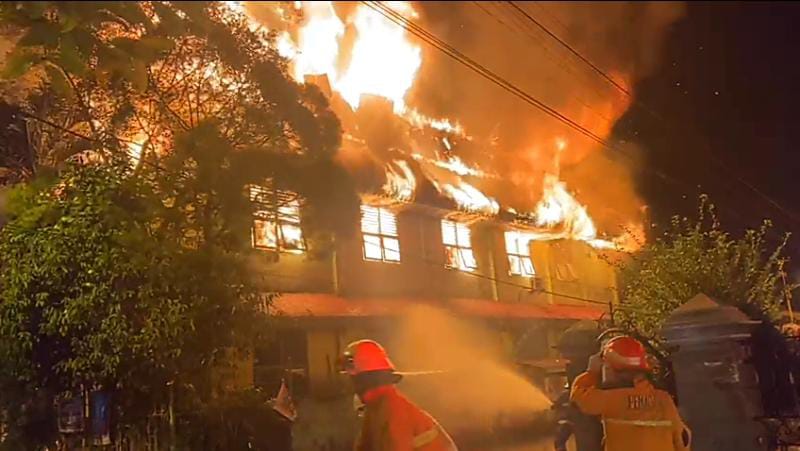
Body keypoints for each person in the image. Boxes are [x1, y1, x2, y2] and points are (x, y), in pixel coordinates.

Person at [570, 335, 692, 451]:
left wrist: (591, 372)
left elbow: (578, 396)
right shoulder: (663, 399)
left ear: (611, 369)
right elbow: (683, 440)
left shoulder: (611, 399)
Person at [341, 339, 457, 451]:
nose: (349, 382)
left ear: (365, 378)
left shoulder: (392, 411)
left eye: (351, 376)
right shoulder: (378, 407)